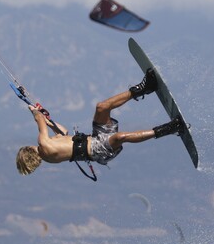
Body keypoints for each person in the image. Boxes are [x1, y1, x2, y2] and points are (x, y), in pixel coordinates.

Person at [16, 68, 184, 175]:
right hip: (98, 150)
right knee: (120, 137)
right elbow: (39, 120)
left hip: (95, 137)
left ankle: (145, 87)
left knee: (102, 107)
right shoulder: (43, 145)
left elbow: (64, 133)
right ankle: (169, 128)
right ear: (28, 151)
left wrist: (49, 121)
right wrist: (34, 110)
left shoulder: (49, 153)